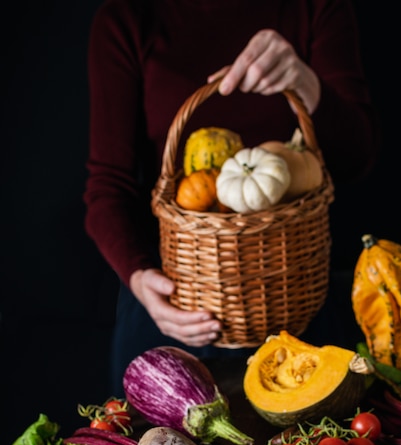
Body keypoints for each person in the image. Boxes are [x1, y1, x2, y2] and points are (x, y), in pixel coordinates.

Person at [83, 0, 380, 396]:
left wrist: (306, 84)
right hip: (175, 300)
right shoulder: (128, 18)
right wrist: (139, 278)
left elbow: (356, 160)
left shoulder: (316, 8)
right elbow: (107, 186)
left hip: (297, 295)